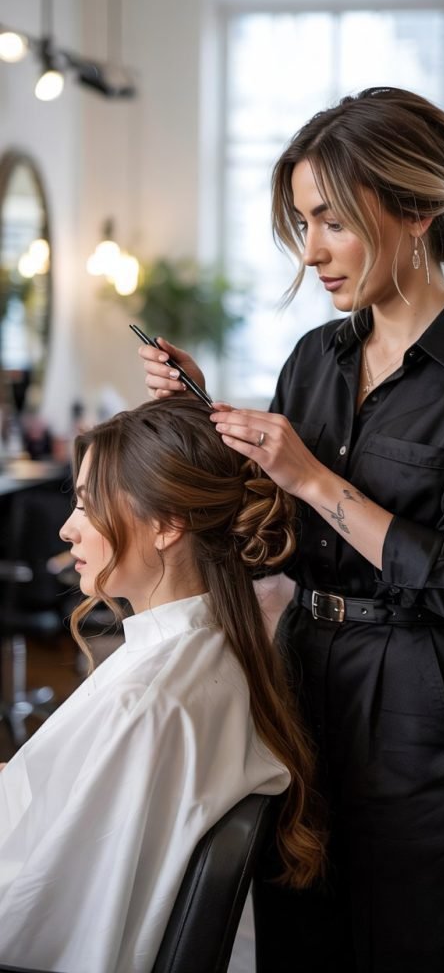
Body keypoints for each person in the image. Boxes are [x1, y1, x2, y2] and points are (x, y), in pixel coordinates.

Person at [138, 87, 444, 973]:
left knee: (422, 948)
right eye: (301, 222)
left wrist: (314, 478)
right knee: (298, 941)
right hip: (296, 688)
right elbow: (267, 532)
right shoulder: (314, 361)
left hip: (420, 701)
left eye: (331, 220)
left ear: (413, 209)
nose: (312, 251)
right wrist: (198, 414)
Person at [0, 395, 325, 973]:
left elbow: (36, 919)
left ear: (168, 524)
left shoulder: (148, 702)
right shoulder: (210, 653)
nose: (67, 529)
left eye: (86, 504)